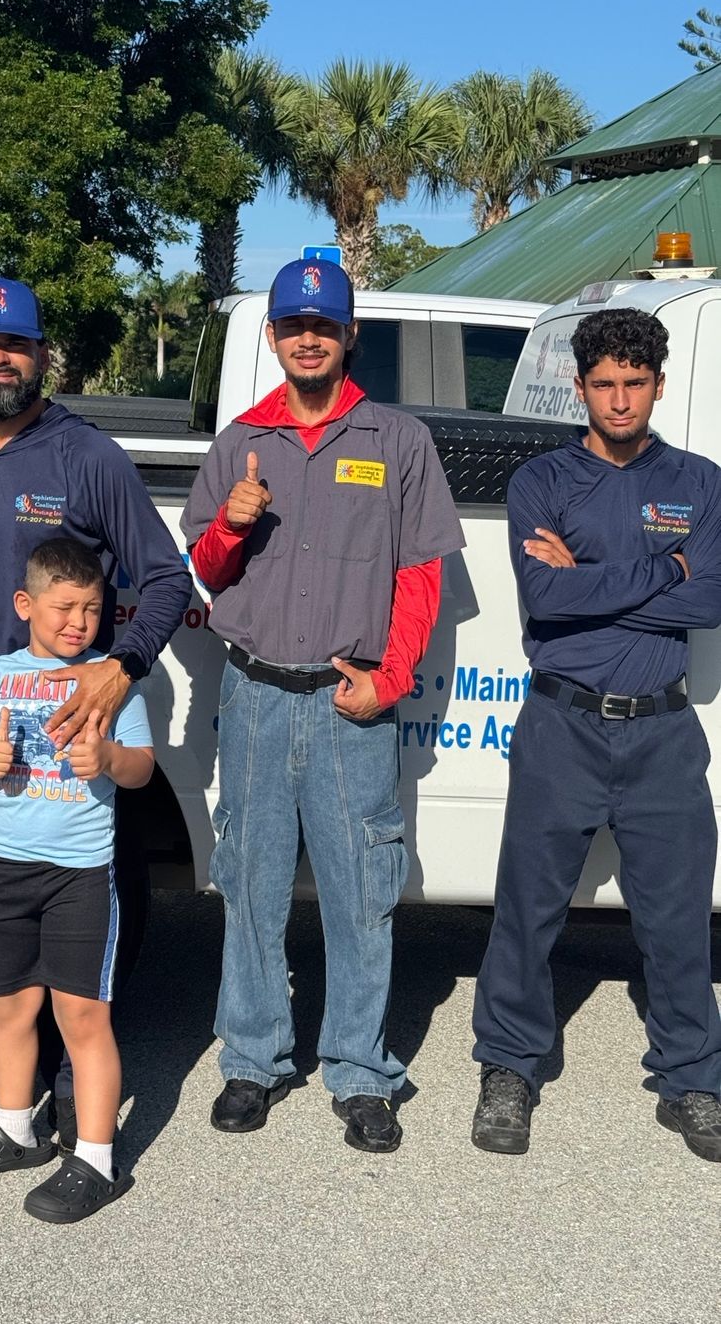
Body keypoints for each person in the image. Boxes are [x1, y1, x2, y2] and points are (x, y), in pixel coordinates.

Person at [181, 257, 463, 1153]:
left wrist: (392, 678)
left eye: (324, 323)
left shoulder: (396, 440)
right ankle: (253, 1063)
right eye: (292, 324)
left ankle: (358, 1071)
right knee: (252, 891)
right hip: (257, 694)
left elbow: (421, 575)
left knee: (360, 897)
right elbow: (206, 568)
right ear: (272, 337)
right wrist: (229, 521)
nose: (308, 336)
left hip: (351, 706)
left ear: (348, 335)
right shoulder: (239, 442)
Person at [0, 277, 191, 1150]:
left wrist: (118, 672)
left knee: (74, 924)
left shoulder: (87, 457)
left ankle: (72, 1088)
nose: (0, 359)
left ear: (39, 356)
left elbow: (167, 579)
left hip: (69, 735)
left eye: (16, 345)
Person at [471, 308, 721, 1162]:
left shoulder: (700, 482)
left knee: (678, 919)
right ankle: (508, 1067)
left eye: (635, 382)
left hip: (662, 734)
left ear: (657, 384)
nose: (619, 399)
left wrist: (593, 577)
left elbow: (713, 597)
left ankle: (691, 1077)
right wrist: (666, 570)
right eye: (604, 384)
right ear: (578, 389)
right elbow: (547, 601)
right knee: (527, 912)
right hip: (561, 726)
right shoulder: (541, 482)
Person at [0, 537, 153, 1222]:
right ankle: (15, 1129)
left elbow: (142, 767)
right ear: (26, 604)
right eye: (63, 607)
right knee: (8, 1007)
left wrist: (108, 756)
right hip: (1, 869)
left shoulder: (109, 679)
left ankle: (95, 1158)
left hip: (80, 877)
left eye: (91, 609)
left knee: (82, 1017)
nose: (77, 623)